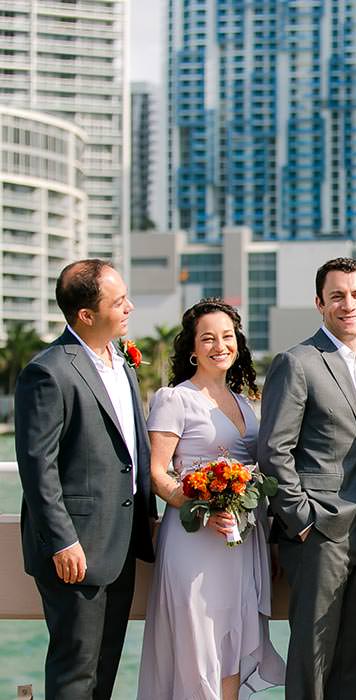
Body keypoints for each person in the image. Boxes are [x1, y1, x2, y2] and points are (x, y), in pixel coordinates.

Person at [259, 257, 356, 700]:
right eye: (337, 296)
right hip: (318, 533)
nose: (348, 304)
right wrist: (301, 520)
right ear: (320, 303)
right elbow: (273, 450)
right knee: (312, 660)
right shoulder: (297, 362)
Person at [14, 259, 155, 699]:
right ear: (86, 315)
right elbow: (38, 466)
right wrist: (62, 541)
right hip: (76, 548)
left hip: (122, 541)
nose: (130, 307)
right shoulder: (48, 371)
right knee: (75, 671)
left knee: (106, 664)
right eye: (119, 301)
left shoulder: (124, 363)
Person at [137, 299, 285, 698]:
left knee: (232, 643)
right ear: (193, 348)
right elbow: (156, 473)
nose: (220, 345)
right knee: (198, 642)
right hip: (194, 541)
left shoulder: (243, 402)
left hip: (241, 541)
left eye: (227, 336)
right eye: (208, 338)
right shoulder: (175, 398)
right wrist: (200, 505)